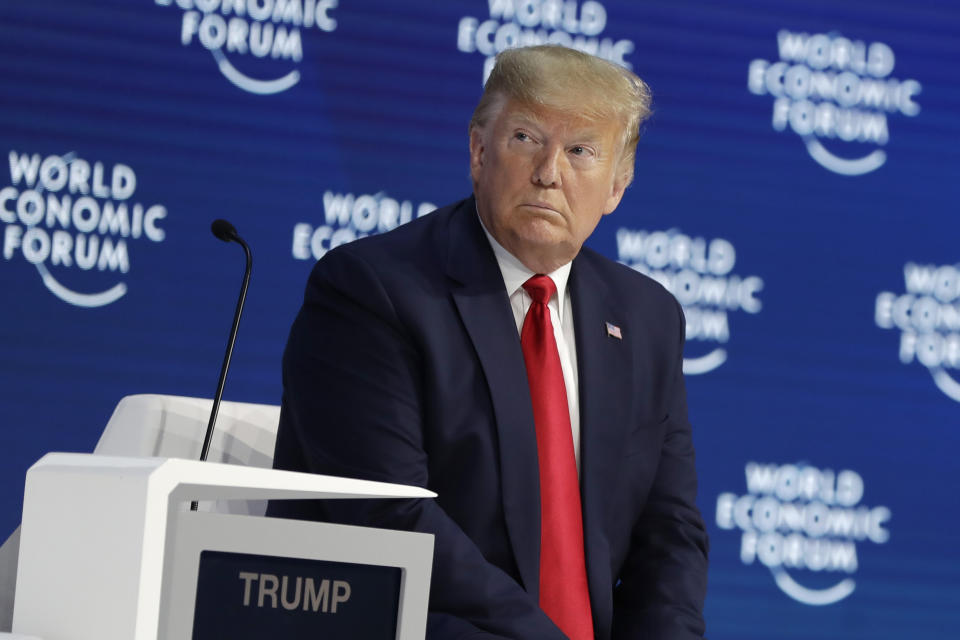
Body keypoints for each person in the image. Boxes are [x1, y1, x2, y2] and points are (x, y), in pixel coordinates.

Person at [268, 45, 708, 639]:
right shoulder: (374, 291)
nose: (550, 171)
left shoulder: (648, 316)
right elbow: (392, 520)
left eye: (581, 150)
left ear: (616, 188)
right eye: (526, 138)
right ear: (478, 151)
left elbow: (670, 533)